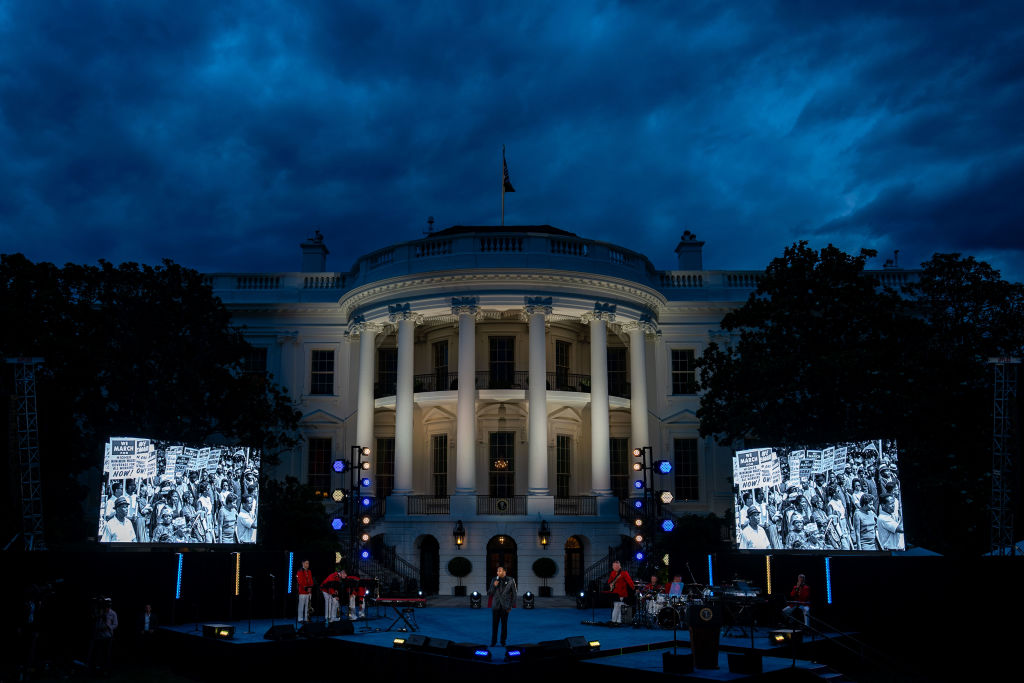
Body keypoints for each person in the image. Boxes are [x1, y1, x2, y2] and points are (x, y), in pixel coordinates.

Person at [487, 566, 517, 646]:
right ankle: (493, 642)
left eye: (500, 571)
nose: (498, 572)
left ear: (504, 572)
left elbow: (514, 594)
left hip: (505, 607)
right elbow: (489, 593)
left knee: (504, 625)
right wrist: (494, 585)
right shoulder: (494, 580)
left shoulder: (511, 580)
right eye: (497, 571)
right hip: (495, 606)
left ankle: (503, 641)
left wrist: (511, 606)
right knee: (495, 625)